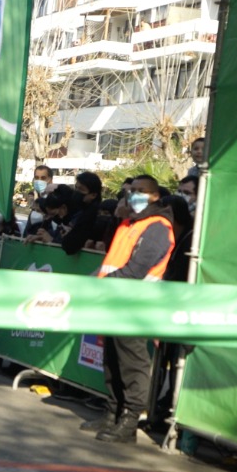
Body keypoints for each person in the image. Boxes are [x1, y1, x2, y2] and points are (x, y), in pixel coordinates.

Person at [80, 174, 175, 444]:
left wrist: (102, 285)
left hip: (135, 305)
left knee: (132, 365)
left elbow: (135, 270)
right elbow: (113, 261)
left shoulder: (157, 226)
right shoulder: (130, 222)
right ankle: (112, 412)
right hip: (115, 303)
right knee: (112, 362)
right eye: (131, 190)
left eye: (139, 191)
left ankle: (130, 421)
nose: (132, 195)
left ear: (155, 196)